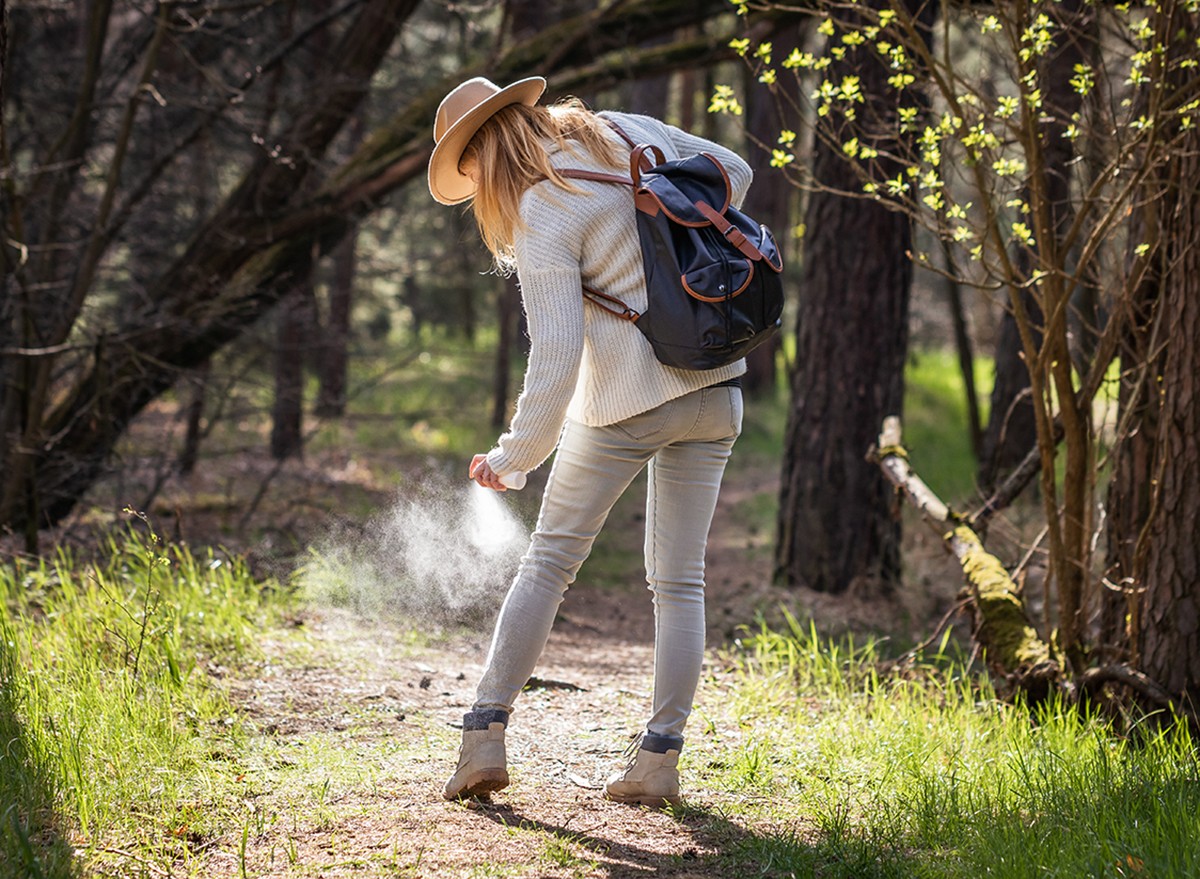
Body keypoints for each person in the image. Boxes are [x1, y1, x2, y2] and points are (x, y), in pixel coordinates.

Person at [428, 75, 752, 807]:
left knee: (548, 562)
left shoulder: (544, 208)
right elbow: (736, 171)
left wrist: (512, 459)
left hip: (624, 405)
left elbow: (555, 360)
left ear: (483, 151)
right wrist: (664, 230)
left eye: (468, 170)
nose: (475, 187)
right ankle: (658, 760)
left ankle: (483, 735)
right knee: (680, 583)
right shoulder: (624, 131)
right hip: (716, 384)